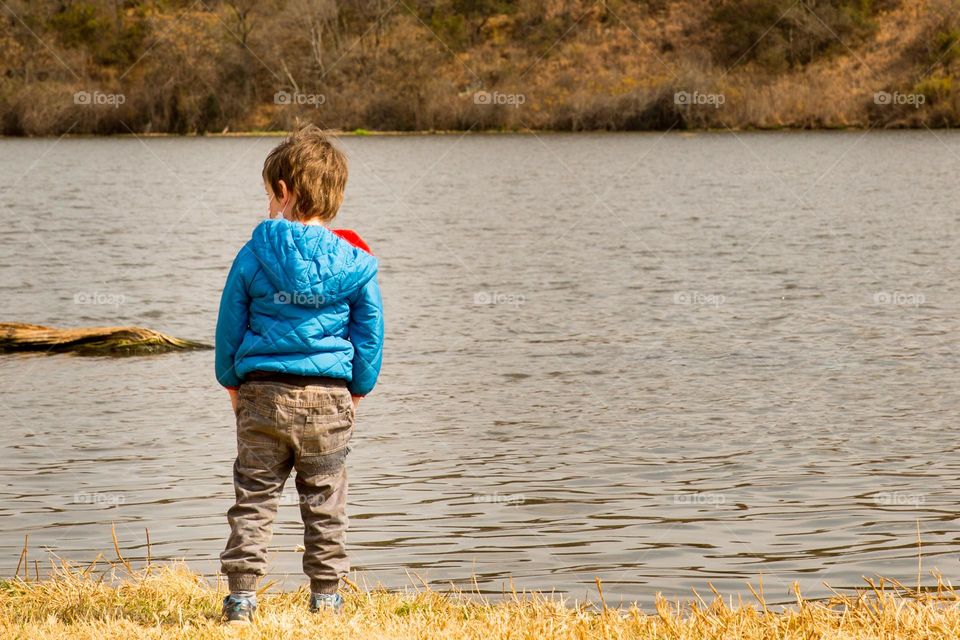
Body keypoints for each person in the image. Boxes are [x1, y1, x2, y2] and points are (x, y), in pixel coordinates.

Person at [214, 124, 384, 624]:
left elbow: (230, 323)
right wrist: (359, 389)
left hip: (262, 393)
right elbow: (369, 333)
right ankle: (327, 600)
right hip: (329, 396)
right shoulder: (357, 262)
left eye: (269, 193)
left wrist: (231, 382)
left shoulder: (253, 253)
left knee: (254, 497)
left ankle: (242, 599)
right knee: (326, 501)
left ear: (284, 193)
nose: (268, 203)